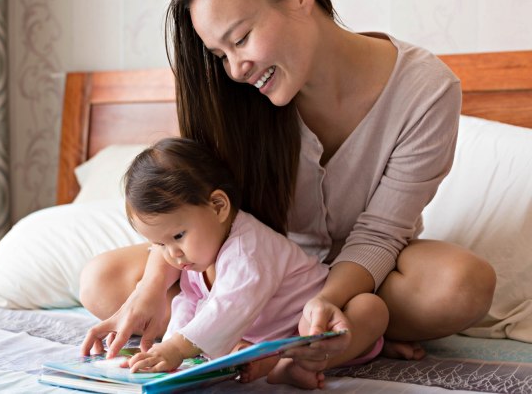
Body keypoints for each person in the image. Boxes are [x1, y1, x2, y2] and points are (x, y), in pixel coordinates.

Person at [80, 0, 497, 386]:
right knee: (102, 281)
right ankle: (319, 339)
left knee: (462, 284)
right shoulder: (233, 98)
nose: (236, 70)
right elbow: (189, 206)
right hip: (249, 267)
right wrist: (149, 290)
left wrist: (327, 299)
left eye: (240, 39)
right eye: (221, 55)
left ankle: (305, 330)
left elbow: (380, 235)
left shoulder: (426, 90)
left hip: (369, 275)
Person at [81, 137, 388, 389]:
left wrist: (175, 349)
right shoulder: (196, 255)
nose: (171, 253)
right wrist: (167, 349)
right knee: (221, 342)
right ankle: (275, 364)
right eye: (159, 244)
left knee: (370, 309)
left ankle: (295, 363)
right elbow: (190, 303)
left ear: (218, 206)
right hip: (259, 337)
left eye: (178, 235)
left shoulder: (247, 248)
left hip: (310, 321)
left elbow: (230, 305)